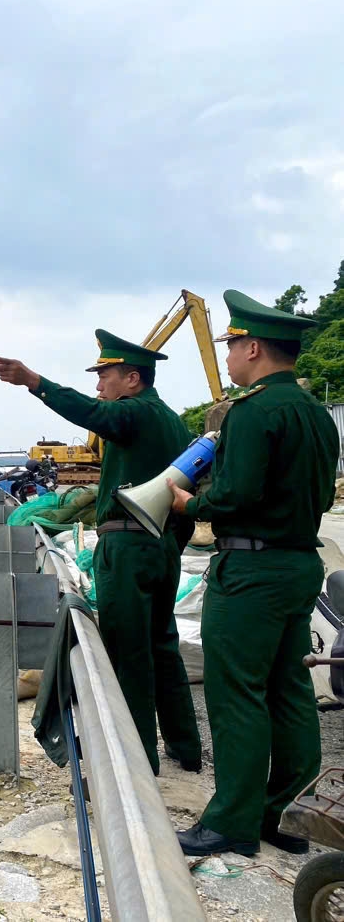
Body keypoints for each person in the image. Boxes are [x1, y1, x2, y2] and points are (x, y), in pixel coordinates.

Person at [169, 290, 339, 857]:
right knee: (290, 690)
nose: (230, 355)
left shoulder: (253, 411)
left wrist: (188, 506)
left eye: (234, 345)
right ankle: (288, 818)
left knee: (237, 691)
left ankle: (232, 823)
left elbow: (237, 493)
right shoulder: (317, 413)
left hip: (251, 571)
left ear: (255, 348)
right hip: (297, 566)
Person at [0, 330, 201, 776]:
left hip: (127, 544)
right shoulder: (170, 420)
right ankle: (186, 746)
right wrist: (168, 546)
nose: (99, 386)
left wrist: (35, 381)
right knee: (163, 645)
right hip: (160, 543)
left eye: (104, 375)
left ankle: (137, 762)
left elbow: (91, 412)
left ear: (132, 378)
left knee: (128, 654)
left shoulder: (133, 412)